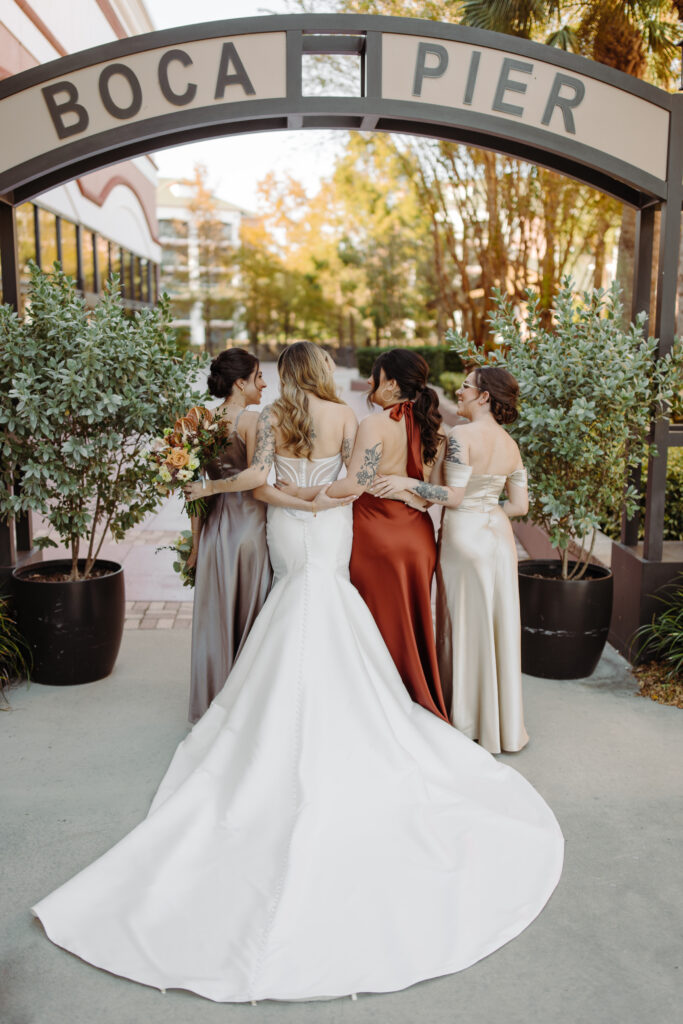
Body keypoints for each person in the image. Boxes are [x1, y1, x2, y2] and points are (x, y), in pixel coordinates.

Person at [31, 344, 562, 1004]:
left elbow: (258, 481)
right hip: (351, 525)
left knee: (290, 609)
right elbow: (364, 481)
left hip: (290, 522)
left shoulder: (276, 415)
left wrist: (296, 502)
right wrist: (331, 503)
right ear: (326, 374)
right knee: (334, 606)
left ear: (286, 375)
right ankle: (401, 716)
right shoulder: (349, 418)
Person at [373, 365, 530, 754]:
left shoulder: (461, 435)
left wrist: (409, 483)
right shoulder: (510, 443)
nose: (458, 393)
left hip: (465, 538)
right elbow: (520, 505)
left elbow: (453, 497)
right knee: (496, 623)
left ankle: (466, 719)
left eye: (465, 387)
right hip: (497, 536)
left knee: (462, 622)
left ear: (484, 397)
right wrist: (488, 513)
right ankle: (501, 725)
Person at [324, 349, 449, 721]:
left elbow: (355, 485)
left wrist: (306, 495)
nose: (368, 383)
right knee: (410, 623)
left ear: (392, 383)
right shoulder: (436, 428)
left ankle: (378, 708)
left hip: (376, 537)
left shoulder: (374, 424)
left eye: (374, 376)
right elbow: (435, 497)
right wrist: (408, 489)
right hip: (417, 539)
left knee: (374, 624)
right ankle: (412, 696)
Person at [186, 349, 272, 723]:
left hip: (213, 532)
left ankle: (215, 708)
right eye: (259, 377)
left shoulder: (200, 420)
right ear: (241, 383)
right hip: (248, 531)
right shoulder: (253, 419)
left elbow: (190, 489)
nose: (264, 384)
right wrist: (214, 488)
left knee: (217, 617)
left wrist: (194, 546)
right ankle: (246, 710)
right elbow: (257, 477)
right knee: (251, 618)